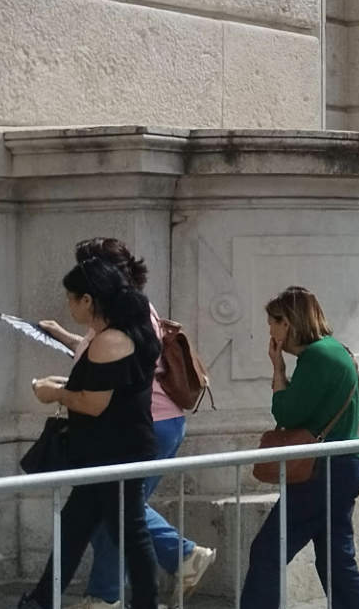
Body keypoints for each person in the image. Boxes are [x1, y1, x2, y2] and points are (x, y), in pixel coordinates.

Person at [37, 239, 214, 607]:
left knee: (119, 513)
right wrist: (65, 338)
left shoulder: (129, 315)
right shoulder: (119, 313)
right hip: (140, 428)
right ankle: (110, 594)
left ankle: (127, 586)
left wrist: (57, 393)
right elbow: (100, 354)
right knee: (115, 515)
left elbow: (108, 372)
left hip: (151, 423)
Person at [18, 259, 164, 609]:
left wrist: (53, 393)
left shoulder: (110, 340)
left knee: (129, 532)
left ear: (88, 300)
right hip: (109, 449)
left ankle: (145, 602)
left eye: (71, 298)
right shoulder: (123, 332)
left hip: (115, 452)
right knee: (75, 526)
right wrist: (65, 384)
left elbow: (94, 403)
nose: (68, 305)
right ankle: (40, 600)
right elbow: (111, 390)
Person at [239, 287, 359, 609]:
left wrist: (278, 372)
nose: (269, 331)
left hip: (323, 469)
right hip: (341, 465)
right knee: (335, 559)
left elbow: (287, 414)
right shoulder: (336, 350)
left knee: (268, 551)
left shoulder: (317, 356)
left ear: (288, 324)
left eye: (273, 322)